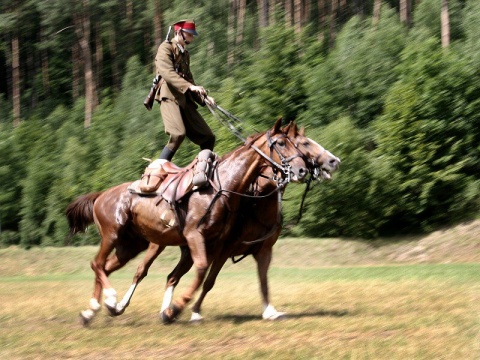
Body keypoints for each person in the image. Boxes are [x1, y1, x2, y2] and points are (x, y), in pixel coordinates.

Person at [154, 19, 216, 161]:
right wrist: (190, 86)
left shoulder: (185, 54)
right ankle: (158, 168)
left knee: (208, 137)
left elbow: (189, 80)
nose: (192, 38)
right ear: (179, 32)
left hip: (184, 99)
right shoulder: (165, 48)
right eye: (190, 34)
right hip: (169, 96)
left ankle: (203, 172)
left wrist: (205, 99)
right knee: (177, 134)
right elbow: (167, 73)